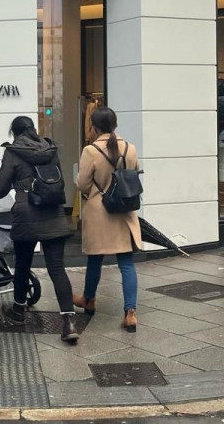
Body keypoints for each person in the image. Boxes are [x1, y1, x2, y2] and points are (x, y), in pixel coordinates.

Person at [0, 116, 79, 343]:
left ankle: (18, 311)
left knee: (22, 264)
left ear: (15, 133)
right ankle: (69, 323)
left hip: (26, 214)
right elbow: (59, 182)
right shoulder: (50, 148)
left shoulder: (13, 152)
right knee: (57, 268)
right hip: (54, 212)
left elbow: (0, 189)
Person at [74, 106, 142, 333]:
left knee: (95, 259)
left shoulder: (90, 151)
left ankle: (89, 299)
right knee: (126, 263)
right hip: (124, 212)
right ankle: (130, 313)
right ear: (115, 124)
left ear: (93, 126)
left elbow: (82, 184)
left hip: (99, 213)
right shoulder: (130, 148)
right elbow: (135, 174)